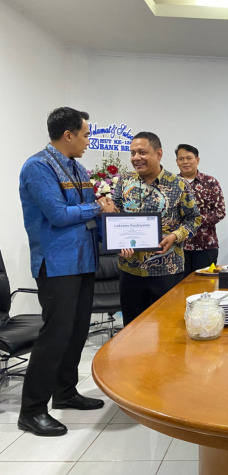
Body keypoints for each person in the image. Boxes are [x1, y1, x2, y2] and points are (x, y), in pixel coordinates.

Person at [18, 107, 116, 436]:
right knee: (55, 335)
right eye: (86, 135)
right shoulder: (38, 166)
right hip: (57, 263)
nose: (88, 141)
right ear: (68, 135)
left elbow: (90, 215)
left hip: (84, 260)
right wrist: (96, 207)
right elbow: (58, 215)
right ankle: (32, 410)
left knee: (77, 331)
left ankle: (64, 391)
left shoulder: (77, 167)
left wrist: (115, 233)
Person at [113, 132, 201, 326]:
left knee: (166, 327)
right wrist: (118, 243)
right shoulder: (124, 180)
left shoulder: (178, 184)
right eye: (133, 153)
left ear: (158, 153)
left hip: (166, 270)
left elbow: (194, 218)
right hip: (130, 270)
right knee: (132, 328)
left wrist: (175, 236)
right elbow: (115, 215)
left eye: (142, 152)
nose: (136, 158)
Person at [175, 144, 225, 276]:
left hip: (206, 246)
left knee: (204, 284)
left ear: (197, 160)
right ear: (177, 162)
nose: (185, 162)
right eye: (181, 159)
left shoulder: (211, 182)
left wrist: (195, 221)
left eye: (189, 158)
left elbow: (220, 211)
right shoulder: (171, 183)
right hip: (178, 246)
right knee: (179, 285)